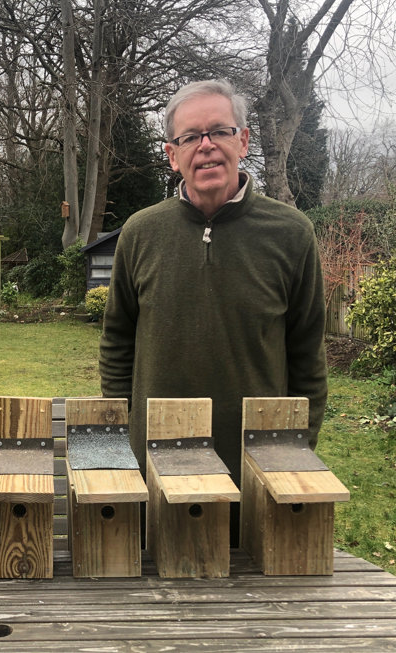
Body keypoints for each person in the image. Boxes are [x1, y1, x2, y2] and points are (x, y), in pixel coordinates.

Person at [99, 79, 327, 544]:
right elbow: (117, 343)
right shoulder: (140, 234)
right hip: (155, 472)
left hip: (257, 472)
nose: (206, 147)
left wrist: (294, 455)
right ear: (172, 155)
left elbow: (307, 356)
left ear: (242, 141)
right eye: (190, 137)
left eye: (219, 132)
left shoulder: (292, 234)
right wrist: (121, 442)